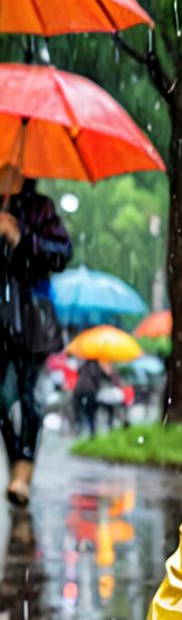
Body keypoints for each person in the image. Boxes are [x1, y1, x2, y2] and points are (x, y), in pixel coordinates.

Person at [0, 164, 72, 505]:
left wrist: (21, 237)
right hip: (0, 318)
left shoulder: (39, 208)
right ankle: (19, 462)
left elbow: (61, 254)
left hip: (29, 320)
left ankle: (24, 471)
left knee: (28, 396)